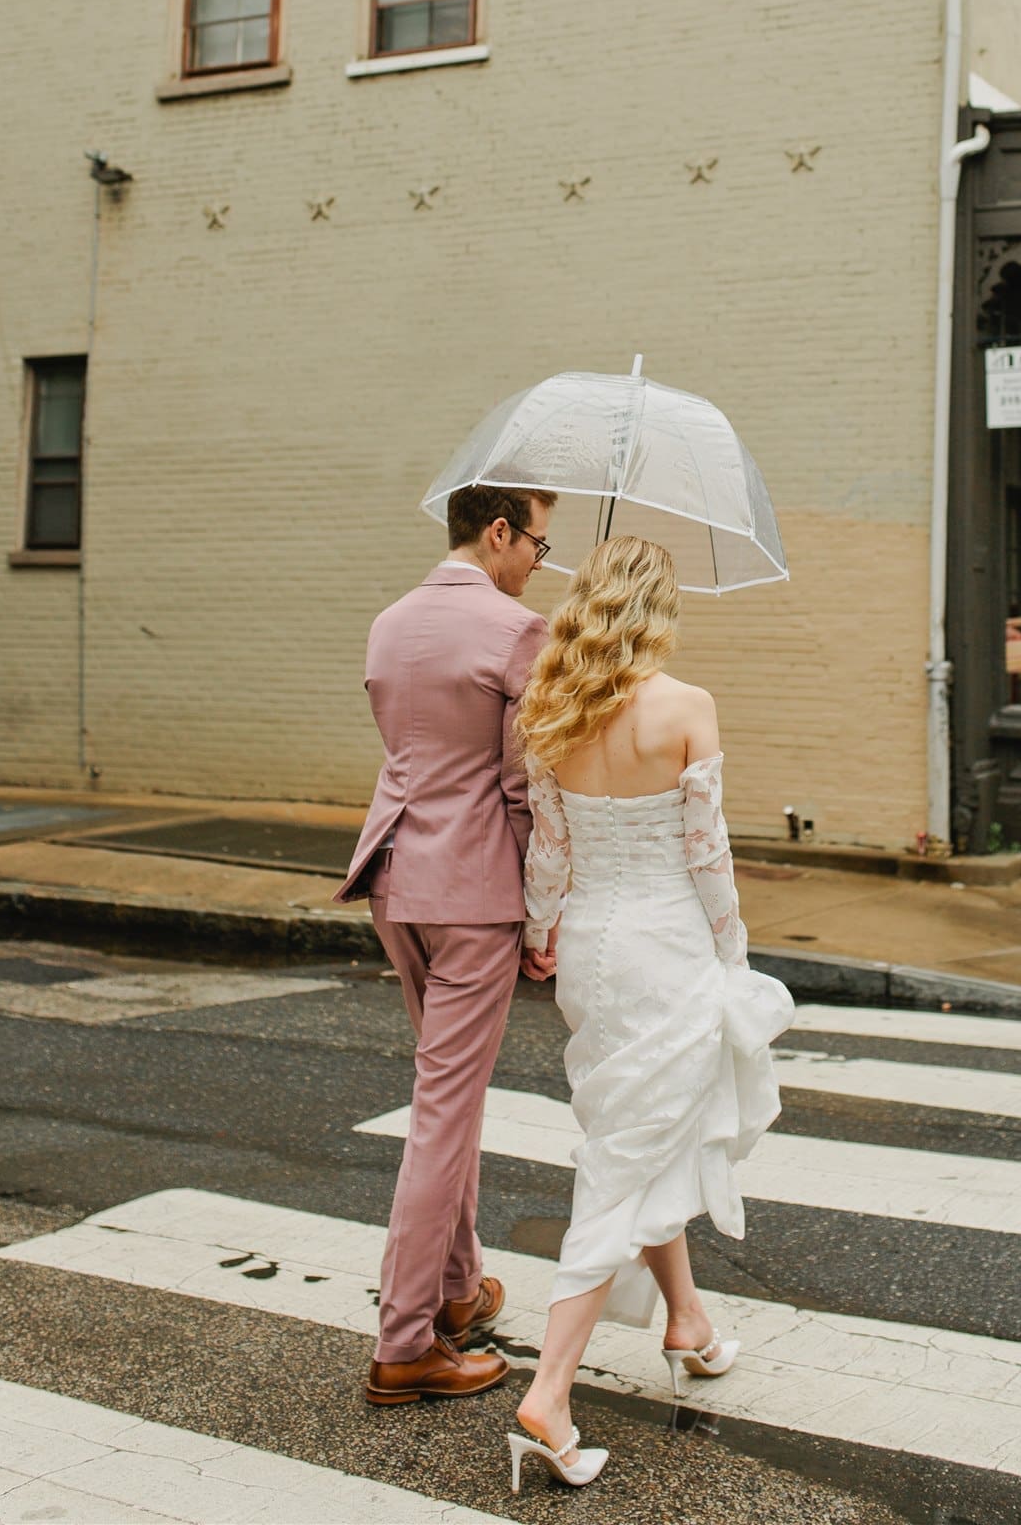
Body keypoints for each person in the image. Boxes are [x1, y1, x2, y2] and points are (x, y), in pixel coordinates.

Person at [506, 535, 793, 1492]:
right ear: (658, 609)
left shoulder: (550, 707)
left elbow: (548, 852)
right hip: (668, 946)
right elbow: (707, 855)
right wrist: (734, 955)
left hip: (591, 943)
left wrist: (542, 931)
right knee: (625, 1163)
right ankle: (548, 1393)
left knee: (638, 1135)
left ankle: (688, 1324)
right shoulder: (685, 707)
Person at [332, 483, 558, 1406]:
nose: (536, 563)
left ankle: (458, 1291)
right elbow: (520, 788)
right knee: (443, 1113)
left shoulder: (389, 621)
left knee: (444, 1094)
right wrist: (541, 916)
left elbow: (403, 747)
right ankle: (404, 1342)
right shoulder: (517, 630)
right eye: (537, 545)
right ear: (498, 531)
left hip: (395, 877)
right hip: (472, 893)